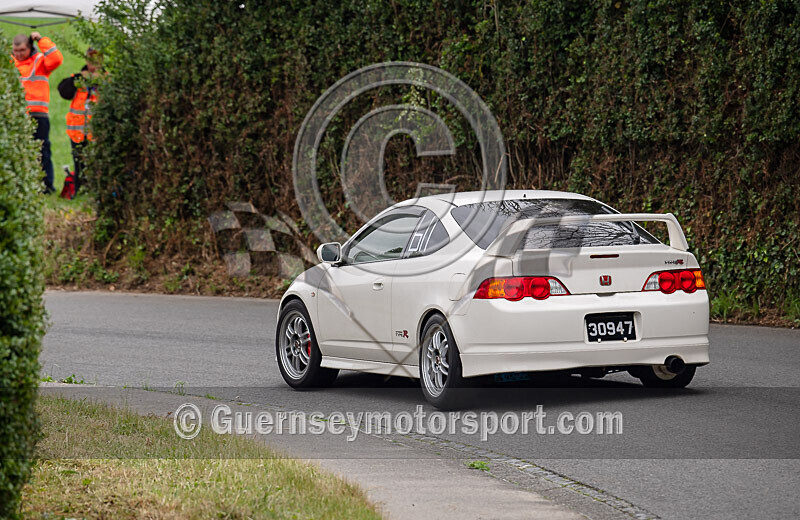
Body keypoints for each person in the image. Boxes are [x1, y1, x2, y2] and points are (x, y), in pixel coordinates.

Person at [12, 32, 63, 194]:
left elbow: (56, 59)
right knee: (19, 152)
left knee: (42, 151)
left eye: (22, 50)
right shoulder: (10, 64)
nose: (19, 54)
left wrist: (41, 40)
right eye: (16, 51)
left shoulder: (40, 62)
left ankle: (46, 185)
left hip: (38, 114)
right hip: (17, 116)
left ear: (30, 48)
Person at [58, 48, 102, 195]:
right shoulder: (78, 79)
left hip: (97, 133)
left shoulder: (107, 79)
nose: (93, 65)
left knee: (97, 165)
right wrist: (76, 78)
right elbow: (64, 91)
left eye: (97, 61)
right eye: (90, 61)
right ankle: (79, 192)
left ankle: (95, 193)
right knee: (79, 165)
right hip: (77, 132)